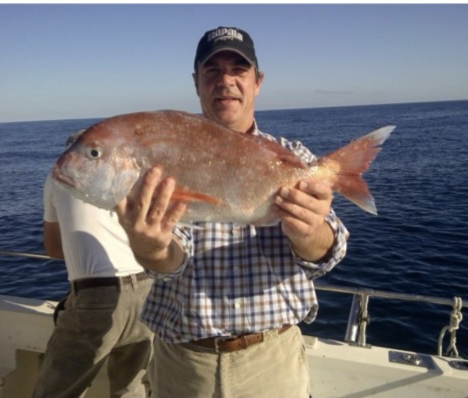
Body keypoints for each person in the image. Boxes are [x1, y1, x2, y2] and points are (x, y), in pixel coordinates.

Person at [115, 26, 350, 397]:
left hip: (273, 363)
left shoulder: (293, 157)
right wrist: (150, 248)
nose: (225, 81)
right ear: (196, 83)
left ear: (257, 82)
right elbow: (171, 261)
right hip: (183, 366)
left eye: (238, 70)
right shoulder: (167, 158)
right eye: (212, 71)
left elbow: (328, 254)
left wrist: (308, 232)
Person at [33, 131, 154, 398]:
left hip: (96, 297)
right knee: (130, 390)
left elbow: (53, 249)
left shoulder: (57, 179)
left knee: (55, 391)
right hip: (148, 292)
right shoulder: (130, 179)